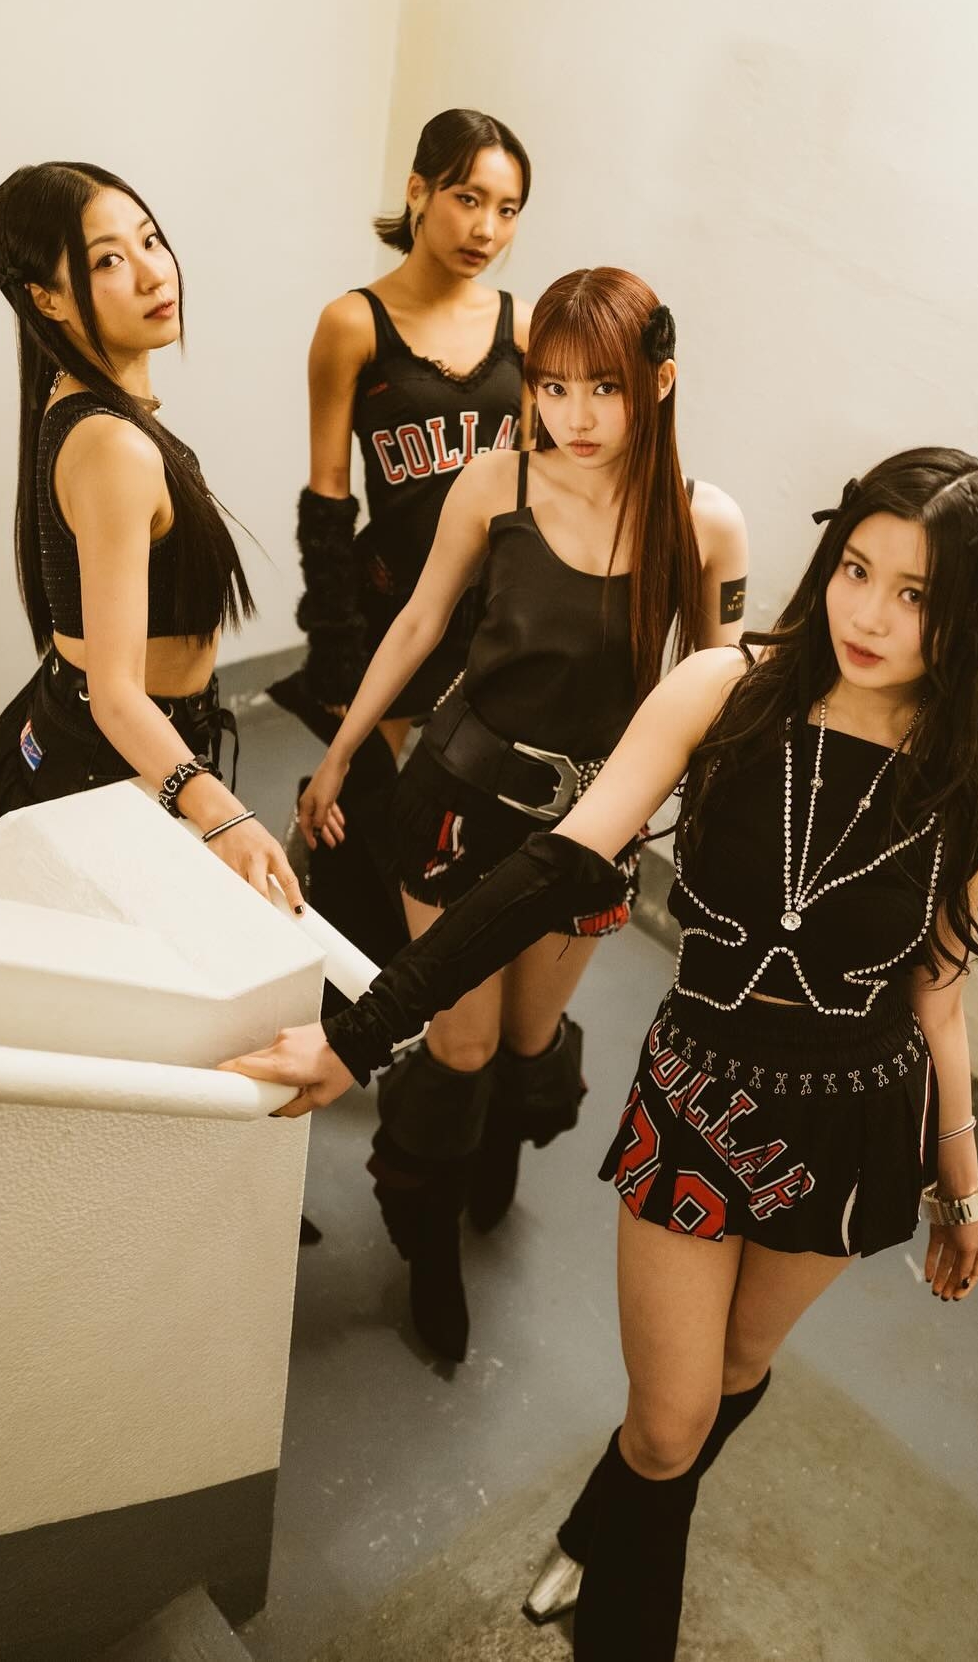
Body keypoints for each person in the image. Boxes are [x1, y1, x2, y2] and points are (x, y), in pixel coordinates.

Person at [222, 447, 978, 1660]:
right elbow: (552, 864)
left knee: (731, 1376)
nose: (868, 614)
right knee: (669, 1424)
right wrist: (364, 1030)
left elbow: (938, 1003)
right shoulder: (724, 690)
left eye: (915, 594)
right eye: (857, 568)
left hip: (853, 1124)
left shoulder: (977, 793)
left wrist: (960, 1187)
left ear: (974, 615)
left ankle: (597, 1526)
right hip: (702, 1096)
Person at [292, 266, 749, 1361]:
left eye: (604, 388)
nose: (573, 416)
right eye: (551, 386)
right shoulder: (495, 483)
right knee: (461, 1042)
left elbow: (719, 686)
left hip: (589, 835)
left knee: (527, 1042)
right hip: (456, 801)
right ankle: (429, 1241)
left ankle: (493, 1146)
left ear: (660, 383)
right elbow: (418, 623)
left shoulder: (705, 524)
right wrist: (342, 751)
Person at [0, 162, 302, 916]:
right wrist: (222, 813)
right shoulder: (113, 444)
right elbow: (118, 694)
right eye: (107, 261)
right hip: (108, 759)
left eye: (150, 240)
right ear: (47, 298)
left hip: (107, 736)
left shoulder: (83, 403)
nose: (155, 273)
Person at [268, 109, 533, 969]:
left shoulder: (522, 327)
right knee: (359, 803)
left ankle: (430, 981)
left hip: (488, 611)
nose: (486, 229)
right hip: (392, 603)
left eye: (508, 209)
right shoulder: (354, 323)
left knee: (462, 808)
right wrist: (336, 653)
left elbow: (537, 488)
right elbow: (328, 497)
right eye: (468, 198)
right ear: (418, 191)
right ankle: (333, 974)